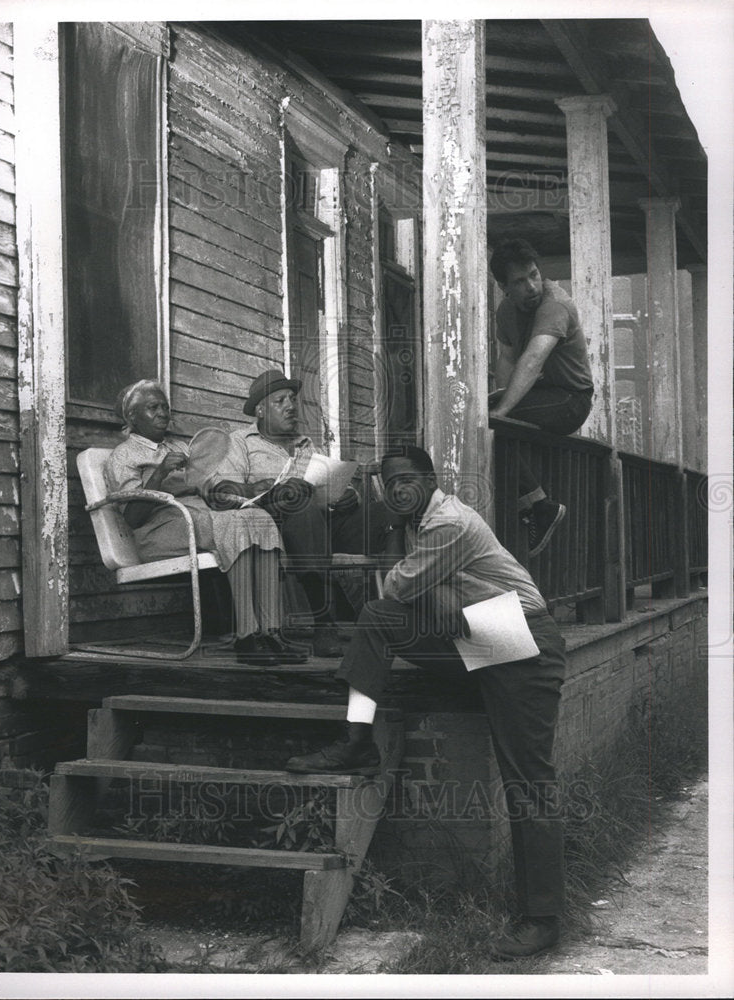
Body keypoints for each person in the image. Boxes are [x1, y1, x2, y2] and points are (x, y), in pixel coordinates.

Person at [285, 445, 568, 960]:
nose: (396, 491)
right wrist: (423, 589)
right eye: (388, 483)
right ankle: (356, 741)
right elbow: (404, 598)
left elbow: (398, 583)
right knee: (378, 619)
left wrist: (418, 584)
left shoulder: (447, 524)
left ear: (430, 480)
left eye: (406, 481)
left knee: (529, 778)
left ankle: (543, 918)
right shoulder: (417, 523)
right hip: (482, 632)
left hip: (523, 641)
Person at [104, 379, 307, 666]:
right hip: (159, 532)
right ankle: (247, 636)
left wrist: (242, 491)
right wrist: (160, 473)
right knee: (234, 526)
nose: (163, 413)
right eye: (153, 408)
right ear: (132, 417)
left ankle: (271, 633)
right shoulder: (123, 456)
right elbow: (133, 518)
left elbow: (209, 486)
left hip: (197, 520)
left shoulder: (179, 447)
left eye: (165, 407)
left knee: (259, 518)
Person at [200, 369, 391, 658]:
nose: (291, 406)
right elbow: (224, 491)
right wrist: (264, 488)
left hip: (323, 520)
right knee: (300, 507)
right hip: (274, 525)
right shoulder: (241, 442)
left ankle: (401, 612)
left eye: (292, 399)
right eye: (280, 401)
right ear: (261, 410)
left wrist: (348, 495)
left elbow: (326, 482)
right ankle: (324, 625)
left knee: (386, 513)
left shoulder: (305, 444)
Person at [488, 238, 594, 557]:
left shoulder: (555, 304)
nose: (531, 286)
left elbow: (533, 359)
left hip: (570, 400)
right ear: (504, 287)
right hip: (539, 397)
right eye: (520, 281)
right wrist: (500, 401)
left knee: (494, 422)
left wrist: (503, 412)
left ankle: (538, 505)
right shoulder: (506, 312)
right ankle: (526, 506)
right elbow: (507, 359)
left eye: (534, 275)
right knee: (485, 418)